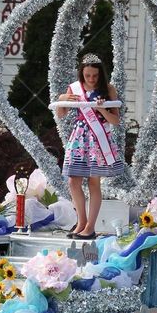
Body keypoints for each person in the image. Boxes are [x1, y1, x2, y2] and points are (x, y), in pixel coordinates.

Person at [55, 53, 124, 239]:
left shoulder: (109, 89)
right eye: (88, 76)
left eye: (95, 75)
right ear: (82, 75)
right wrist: (62, 97)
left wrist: (101, 109)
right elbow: (61, 114)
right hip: (79, 138)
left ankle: (90, 227)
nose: (92, 79)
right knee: (73, 181)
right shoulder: (75, 89)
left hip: (98, 139)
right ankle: (81, 222)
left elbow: (116, 120)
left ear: (101, 74)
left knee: (94, 183)